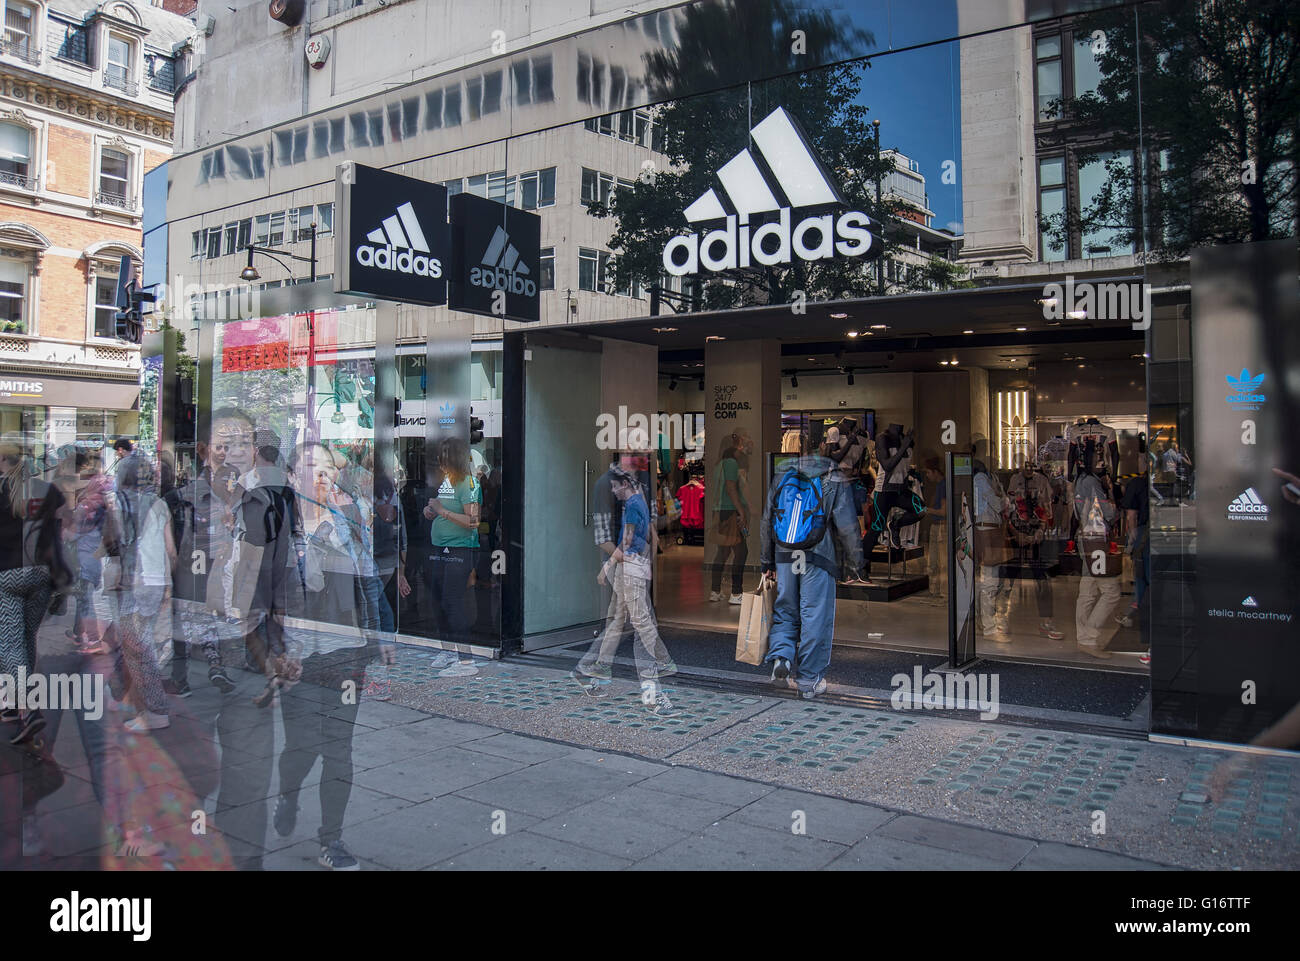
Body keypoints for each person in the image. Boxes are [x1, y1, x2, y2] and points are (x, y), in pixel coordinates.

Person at [760, 447, 864, 700]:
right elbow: (847, 525)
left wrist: (766, 561)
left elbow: (766, 521)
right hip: (818, 555)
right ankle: (808, 679)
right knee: (814, 614)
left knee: (785, 608)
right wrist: (856, 562)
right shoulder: (833, 477)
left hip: (785, 554)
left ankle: (782, 657)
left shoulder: (783, 474)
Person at [571, 470, 676, 712]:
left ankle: (587, 669)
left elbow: (640, 538)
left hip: (629, 569)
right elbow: (631, 540)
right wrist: (610, 565)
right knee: (642, 627)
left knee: (620, 623)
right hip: (629, 570)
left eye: (616, 486)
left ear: (627, 484)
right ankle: (654, 689)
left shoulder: (634, 505)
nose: (613, 491)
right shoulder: (635, 504)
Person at [0, 434, 71, 744]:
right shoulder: (48, 491)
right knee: (27, 640)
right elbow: (59, 535)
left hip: (5, 576)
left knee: (10, 645)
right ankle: (10, 706)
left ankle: (27, 708)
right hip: (41, 575)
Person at [424, 437, 482, 660]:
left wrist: (442, 511)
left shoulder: (468, 483)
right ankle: (447, 651)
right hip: (440, 548)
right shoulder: (448, 481)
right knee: (437, 600)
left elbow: (474, 521)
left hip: (459, 550)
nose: (440, 460)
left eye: (444, 456)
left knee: (452, 600)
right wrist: (430, 511)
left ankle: (465, 657)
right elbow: (441, 508)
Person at [1007, 460, 1064, 640]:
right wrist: (1016, 534)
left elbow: (1046, 510)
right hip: (1017, 536)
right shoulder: (1014, 480)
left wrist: (1039, 531)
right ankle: (998, 619)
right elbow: (1008, 510)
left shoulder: (1042, 481)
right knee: (1008, 578)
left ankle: (1047, 621)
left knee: (1042, 578)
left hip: (1036, 536)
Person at [1073, 464, 1119, 659]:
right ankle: (1089, 636)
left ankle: (1084, 638)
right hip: (1097, 539)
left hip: (1086, 538)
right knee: (1111, 592)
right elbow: (1109, 512)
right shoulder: (1093, 482)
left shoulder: (1079, 480)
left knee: (1088, 590)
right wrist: (1112, 494)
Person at [709, 429, 752, 604]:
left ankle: (715, 590)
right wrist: (741, 511)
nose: (740, 447)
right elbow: (731, 488)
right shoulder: (731, 463)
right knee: (741, 551)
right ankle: (736, 593)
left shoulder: (719, 465)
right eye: (737, 444)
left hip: (720, 510)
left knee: (723, 551)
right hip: (730, 511)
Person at [1117, 456, 1150, 632]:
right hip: (1161, 531)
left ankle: (1137, 614)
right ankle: (1137, 613)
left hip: (1144, 533)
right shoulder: (1160, 482)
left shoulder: (1137, 484)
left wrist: (1131, 536)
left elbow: (1131, 515)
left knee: (1140, 576)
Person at [922, 458, 947, 601]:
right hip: (936, 525)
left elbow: (943, 512)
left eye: (928, 472)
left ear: (935, 472)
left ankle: (943, 592)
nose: (927, 476)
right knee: (933, 561)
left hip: (941, 526)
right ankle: (935, 590)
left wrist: (926, 510)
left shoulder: (943, 486)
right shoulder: (939, 486)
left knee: (941, 562)